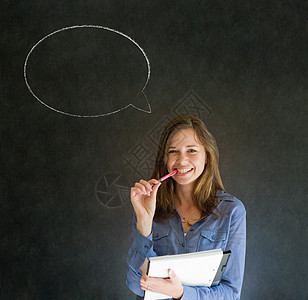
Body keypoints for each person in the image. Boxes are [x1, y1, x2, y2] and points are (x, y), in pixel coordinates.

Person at [126, 114, 246, 299]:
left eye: (191, 150)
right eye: (173, 151)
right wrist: (144, 219)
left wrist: (180, 293)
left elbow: (231, 293)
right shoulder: (148, 206)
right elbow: (136, 284)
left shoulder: (232, 212)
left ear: (207, 156)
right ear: (165, 161)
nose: (182, 160)